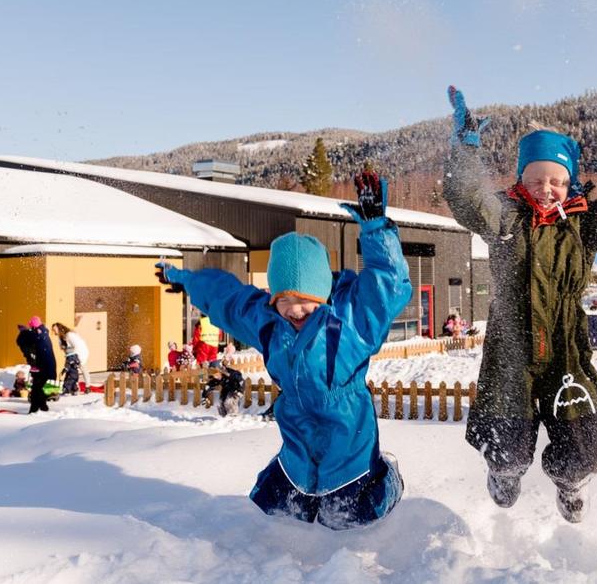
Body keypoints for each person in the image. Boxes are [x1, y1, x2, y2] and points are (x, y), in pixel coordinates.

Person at [443, 86, 597, 522]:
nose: (547, 188)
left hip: (565, 346)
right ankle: (504, 471)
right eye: (536, 179)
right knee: (504, 433)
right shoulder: (505, 215)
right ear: (520, 180)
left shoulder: (585, 222)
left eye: (556, 180)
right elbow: (466, 202)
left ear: (570, 182)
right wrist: (465, 149)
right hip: (511, 349)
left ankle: (571, 480)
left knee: (585, 434)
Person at [155, 170, 412, 531]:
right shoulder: (267, 323)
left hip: (347, 431)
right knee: (273, 508)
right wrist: (186, 280)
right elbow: (227, 299)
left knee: (352, 515)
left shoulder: (352, 318)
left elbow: (388, 282)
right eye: (285, 299)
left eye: (304, 300)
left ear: (321, 295)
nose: (294, 309)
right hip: (296, 434)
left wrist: (375, 229)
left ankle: (387, 482)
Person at [16, 316, 57, 414]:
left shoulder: (38, 335)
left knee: (37, 389)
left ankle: (36, 409)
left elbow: (23, 339)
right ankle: (42, 408)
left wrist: (23, 331)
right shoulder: (43, 332)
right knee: (38, 388)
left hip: (44, 367)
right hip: (46, 366)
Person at [51, 323, 91, 393]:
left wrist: (76, 358)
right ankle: (73, 387)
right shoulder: (60, 337)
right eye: (53, 329)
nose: (54, 331)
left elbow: (78, 345)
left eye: (55, 329)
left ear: (59, 328)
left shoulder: (70, 335)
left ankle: (88, 387)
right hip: (70, 356)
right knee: (71, 372)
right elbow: (64, 349)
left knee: (83, 369)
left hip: (79, 354)